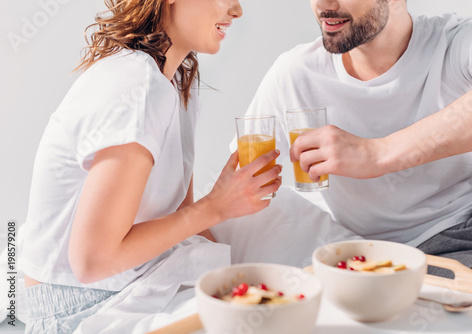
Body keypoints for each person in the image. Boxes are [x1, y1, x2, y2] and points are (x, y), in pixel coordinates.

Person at [20, 0, 282, 332]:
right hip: (80, 307)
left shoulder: (177, 82)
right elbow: (91, 261)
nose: (237, 10)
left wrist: (237, 279)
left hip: (137, 275)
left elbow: (181, 214)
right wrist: (216, 206)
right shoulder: (136, 85)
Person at [243, 0, 472, 278]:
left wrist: (377, 154)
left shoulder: (460, 40)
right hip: (424, 248)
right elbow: (243, 183)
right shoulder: (295, 76)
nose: (322, 4)